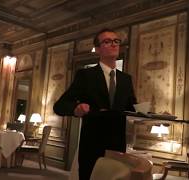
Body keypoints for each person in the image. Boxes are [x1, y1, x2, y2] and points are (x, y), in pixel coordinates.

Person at [53, 28, 137, 180]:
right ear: (98, 49)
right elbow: (59, 106)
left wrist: (152, 115)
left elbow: (132, 108)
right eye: (107, 41)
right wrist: (76, 109)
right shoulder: (85, 75)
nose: (114, 44)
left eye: (116, 41)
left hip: (118, 147)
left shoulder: (126, 79)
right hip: (92, 145)